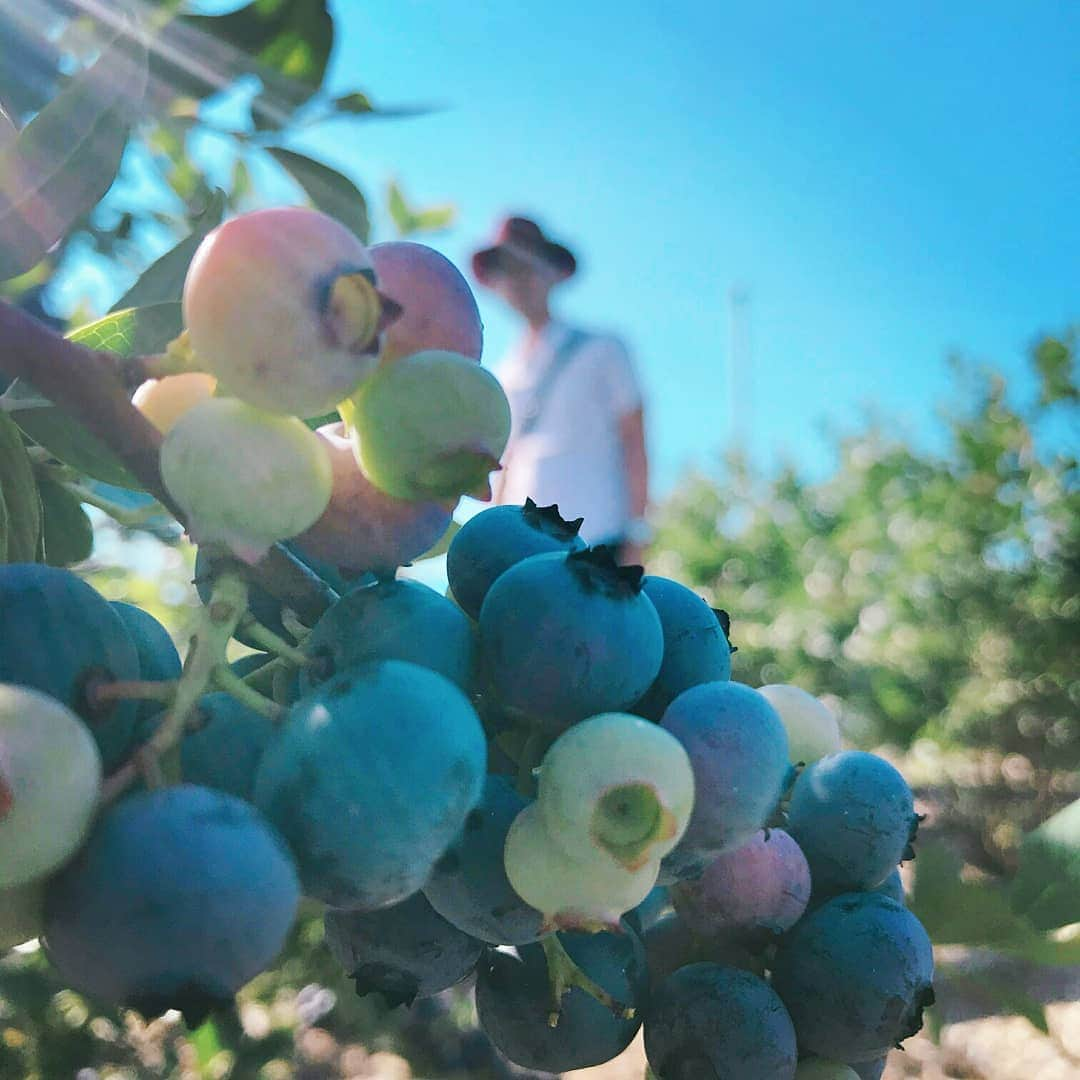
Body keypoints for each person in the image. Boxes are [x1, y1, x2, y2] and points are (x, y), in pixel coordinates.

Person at [471, 215, 652, 565]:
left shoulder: (603, 349)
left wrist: (638, 532)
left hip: (598, 541)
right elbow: (503, 465)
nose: (518, 280)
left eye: (527, 266)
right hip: (524, 551)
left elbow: (635, 440)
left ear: (552, 272)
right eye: (507, 270)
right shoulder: (503, 374)